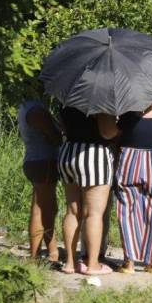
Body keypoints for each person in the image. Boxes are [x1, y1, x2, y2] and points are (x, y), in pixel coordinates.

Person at [58, 106, 119, 275]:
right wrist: (120, 130)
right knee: (94, 213)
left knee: (72, 211)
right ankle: (93, 265)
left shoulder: (67, 98)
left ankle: (70, 263)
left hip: (68, 152)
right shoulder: (101, 100)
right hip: (94, 155)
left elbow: (63, 126)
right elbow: (107, 132)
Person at [115, 104, 152, 273]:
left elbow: (117, 137)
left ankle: (129, 262)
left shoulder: (127, 117)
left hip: (129, 160)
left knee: (126, 210)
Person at [18, 95, 62, 262]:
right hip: (43, 161)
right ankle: (35, 256)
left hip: (36, 159)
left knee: (49, 207)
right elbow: (56, 137)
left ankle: (52, 251)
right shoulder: (36, 110)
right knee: (40, 208)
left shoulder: (26, 105)